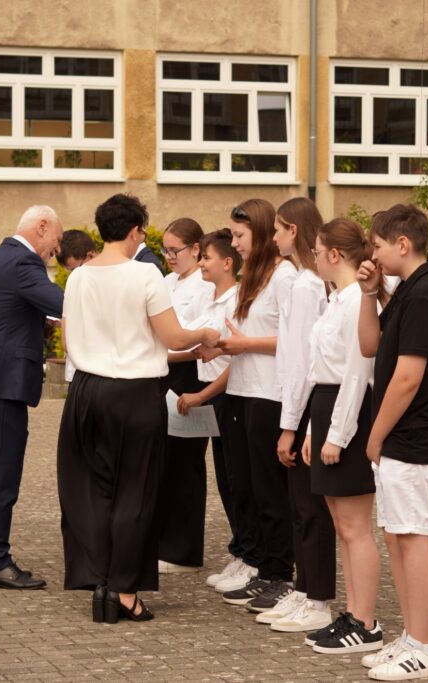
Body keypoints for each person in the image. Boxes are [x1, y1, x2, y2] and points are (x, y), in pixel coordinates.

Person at [57, 194, 219, 624]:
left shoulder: (77, 279)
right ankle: (124, 591)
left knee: (92, 490)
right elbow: (172, 337)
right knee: (136, 491)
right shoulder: (146, 273)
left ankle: (100, 580)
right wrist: (204, 331)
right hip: (134, 392)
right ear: (135, 232)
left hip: (87, 390)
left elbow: (69, 340)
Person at [357, 204, 428, 680]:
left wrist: (374, 437)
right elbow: (372, 346)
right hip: (402, 436)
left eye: (376, 245)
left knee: (414, 537)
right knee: (396, 534)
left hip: (412, 435)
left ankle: (424, 646)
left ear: (402, 243)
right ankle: (411, 635)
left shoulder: (424, 295)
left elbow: (407, 378)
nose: (372, 254)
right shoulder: (406, 291)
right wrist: (370, 295)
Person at [0, 205, 65, 589]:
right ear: (41, 227)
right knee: (2, 475)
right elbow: (65, 304)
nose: (56, 247)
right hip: (2, 384)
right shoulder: (23, 264)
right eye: (56, 237)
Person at [297, 218, 386, 656]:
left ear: (335, 255)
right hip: (327, 407)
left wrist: (338, 434)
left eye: (316, 251)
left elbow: (358, 373)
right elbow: (321, 372)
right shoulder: (336, 300)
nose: (313, 258)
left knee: (355, 526)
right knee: (341, 524)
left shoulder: (356, 302)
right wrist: (316, 429)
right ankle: (352, 614)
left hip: (348, 413)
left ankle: (366, 622)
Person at [213, 200, 298, 602]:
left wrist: (244, 343)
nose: (234, 243)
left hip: (269, 395)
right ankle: (264, 566)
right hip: (242, 392)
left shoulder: (286, 277)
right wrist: (223, 346)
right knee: (246, 487)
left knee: (270, 491)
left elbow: (295, 341)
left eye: (240, 236)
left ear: (262, 234)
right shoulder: (253, 277)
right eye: (232, 235)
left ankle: (281, 574)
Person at [263, 197, 335, 634]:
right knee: (299, 506)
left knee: (311, 509)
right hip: (297, 399)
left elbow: (302, 361)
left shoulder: (307, 287)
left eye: (277, 230)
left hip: (306, 400)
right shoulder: (305, 282)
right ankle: (306, 588)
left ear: (295, 231)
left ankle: (319, 598)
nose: (273, 238)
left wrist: (290, 426)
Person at [175, 230, 250, 589]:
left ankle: (250, 556)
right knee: (226, 478)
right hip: (215, 395)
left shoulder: (237, 302)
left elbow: (236, 362)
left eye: (206, 258)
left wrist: (203, 395)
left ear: (227, 263)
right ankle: (240, 551)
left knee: (239, 479)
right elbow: (186, 337)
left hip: (227, 394)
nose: (201, 263)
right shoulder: (211, 299)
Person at [158, 218, 215, 574]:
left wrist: (179, 349)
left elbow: (198, 338)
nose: (168, 257)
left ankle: (185, 550)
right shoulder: (166, 282)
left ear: (196, 249)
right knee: (166, 463)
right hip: (165, 373)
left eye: (174, 250)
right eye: (164, 250)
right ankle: (165, 541)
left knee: (186, 463)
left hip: (192, 375)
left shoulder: (204, 285)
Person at [55, 230, 99, 383]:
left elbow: (66, 342)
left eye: (74, 269)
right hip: (80, 372)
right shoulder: (77, 280)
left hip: (93, 373)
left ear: (91, 255)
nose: (73, 275)